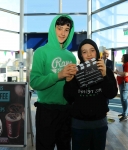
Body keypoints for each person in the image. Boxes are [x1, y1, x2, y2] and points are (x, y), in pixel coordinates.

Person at [30, 15, 77, 150]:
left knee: (65, 147)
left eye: (67, 29)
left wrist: (71, 81)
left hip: (67, 111)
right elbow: (34, 82)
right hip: (46, 111)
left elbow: (72, 88)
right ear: (53, 29)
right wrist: (59, 75)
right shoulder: (41, 52)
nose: (63, 33)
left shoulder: (71, 56)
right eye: (59, 28)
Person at [63, 39, 118, 150]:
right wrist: (68, 82)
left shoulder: (106, 70)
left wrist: (104, 76)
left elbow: (111, 94)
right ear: (80, 55)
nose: (89, 54)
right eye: (84, 52)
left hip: (99, 123)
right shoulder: (75, 72)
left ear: (97, 52)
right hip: (79, 124)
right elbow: (68, 97)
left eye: (92, 50)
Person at [114, 54, 128, 122]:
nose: (121, 58)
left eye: (122, 57)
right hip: (122, 83)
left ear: (125, 58)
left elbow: (126, 74)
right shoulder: (124, 65)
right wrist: (117, 72)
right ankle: (124, 113)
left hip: (126, 83)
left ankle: (125, 115)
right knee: (123, 99)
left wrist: (118, 72)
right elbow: (122, 73)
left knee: (124, 99)